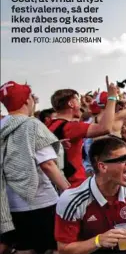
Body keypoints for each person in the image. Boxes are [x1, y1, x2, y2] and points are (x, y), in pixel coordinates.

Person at [0, 81, 69, 254]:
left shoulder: (3, 125)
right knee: (58, 248)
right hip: (40, 200)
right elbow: (48, 164)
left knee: (26, 248)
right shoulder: (32, 125)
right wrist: (69, 191)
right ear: (26, 101)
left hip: (11, 202)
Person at [54, 136, 126, 254]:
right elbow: (63, 249)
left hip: (123, 248)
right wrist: (98, 241)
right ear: (102, 166)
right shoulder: (72, 199)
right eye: (123, 159)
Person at [47, 77, 118, 186]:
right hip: (74, 183)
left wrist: (87, 105)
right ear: (71, 104)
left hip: (62, 180)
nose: (80, 103)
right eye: (77, 100)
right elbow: (105, 128)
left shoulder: (51, 124)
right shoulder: (70, 127)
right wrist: (112, 97)